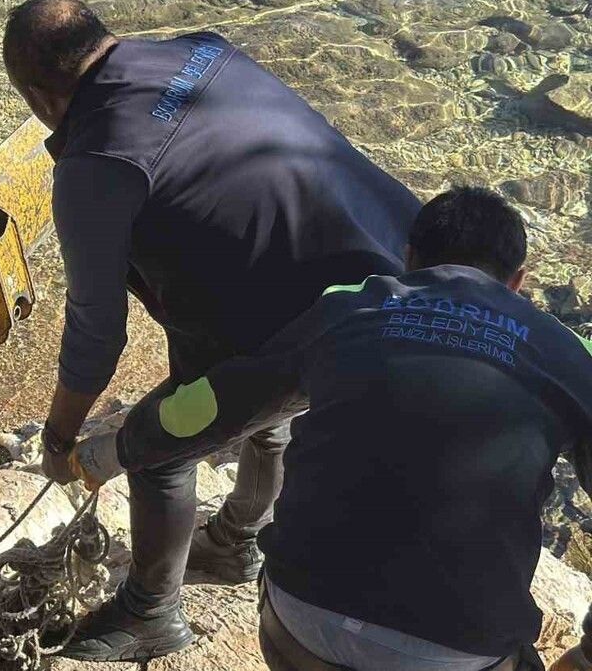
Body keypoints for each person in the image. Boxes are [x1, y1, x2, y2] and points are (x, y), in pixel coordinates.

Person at [1, 0, 422, 661]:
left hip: (334, 322)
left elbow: (96, 333)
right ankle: (235, 543)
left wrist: (58, 434)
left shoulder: (95, 165)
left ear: (37, 95)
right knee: (260, 404)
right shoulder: (202, 48)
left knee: (159, 442)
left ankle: (149, 613)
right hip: (407, 264)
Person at [71, 187, 592, 671]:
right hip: (459, 655)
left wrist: (112, 451)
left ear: (408, 255)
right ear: (519, 280)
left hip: (301, 627)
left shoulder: (348, 307)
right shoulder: (567, 353)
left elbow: (217, 404)